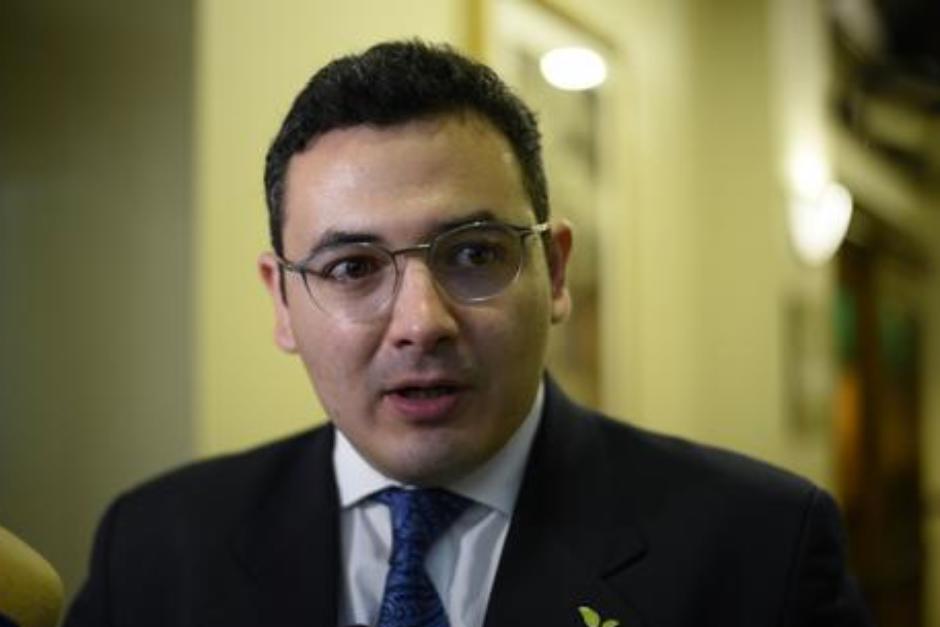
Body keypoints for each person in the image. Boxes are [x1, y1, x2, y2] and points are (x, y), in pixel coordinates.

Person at [64, 40, 872, 627]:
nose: (422, 323)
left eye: (475, 254)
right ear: (282, 302)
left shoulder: (761, 548)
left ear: (555, 271)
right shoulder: (156, 545)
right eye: (353, 267)